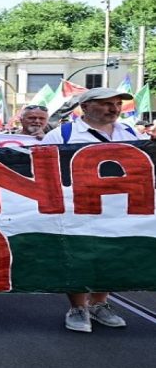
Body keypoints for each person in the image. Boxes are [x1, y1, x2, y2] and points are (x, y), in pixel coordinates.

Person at [42, 87, 143, 333]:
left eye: (117, 104)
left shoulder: (130, 132)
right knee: (78, 257)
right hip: (77, 209)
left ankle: (100, 303)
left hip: (120, 209)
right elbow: (41, 169)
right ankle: (78, 307)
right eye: (106, 103)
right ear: (85, 107)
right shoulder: (62, 135)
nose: (114, 109)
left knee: (111, 256)